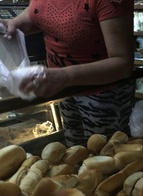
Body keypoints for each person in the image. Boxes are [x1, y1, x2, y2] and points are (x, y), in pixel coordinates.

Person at [1, 0, 135, 147]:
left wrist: (65, 76)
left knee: (107, 157)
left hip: (103, 95)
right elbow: (41, 9)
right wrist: (15, 23)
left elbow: (123, 63)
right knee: (75, 153)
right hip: (64, 89)